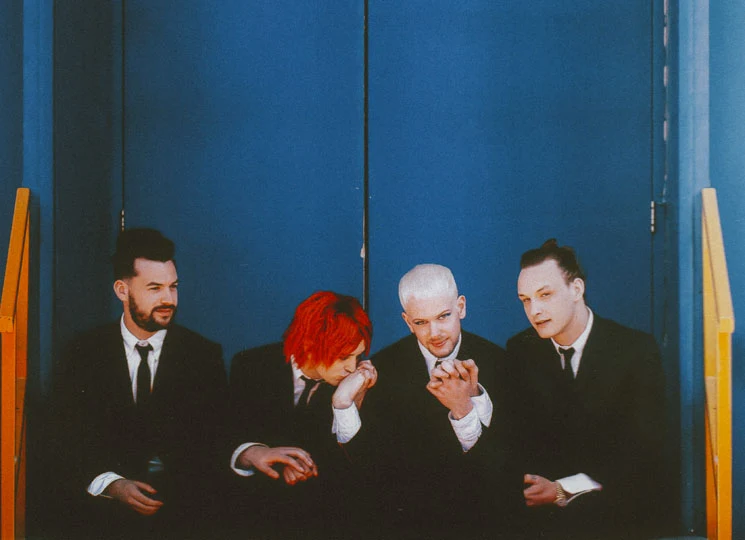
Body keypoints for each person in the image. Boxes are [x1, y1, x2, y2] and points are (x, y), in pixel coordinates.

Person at [47, 228, 230, 540]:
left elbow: (214, 441)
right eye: (155, 288)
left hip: (183, 516)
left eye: (173, 287)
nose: (168, 299)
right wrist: (111, 484)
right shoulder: (82, 353)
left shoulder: (203, 354)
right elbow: (65, 438)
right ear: (122, 290)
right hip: (100, 515)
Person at [506, 239, 668, 540]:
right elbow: (519, 441)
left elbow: (643, 454)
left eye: (545, 295)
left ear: (577, 289)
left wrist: (563, 489)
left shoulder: (635, 350)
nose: (534, 310)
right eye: (525, 300)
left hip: (618, 517)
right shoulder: (520, 350)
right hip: (544, 524)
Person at [363, 264, 520, 540]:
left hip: (483, 523)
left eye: (443, 316)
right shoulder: (383, 369)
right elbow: (378, 470)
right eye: (421, 322)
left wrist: (465, 409)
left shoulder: (502, 363)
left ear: (461, 307)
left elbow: (507, 465)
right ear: (407, 321)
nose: (434, 333)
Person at [228, 290, 377, 540]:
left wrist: (347, 404)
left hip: (325, 522)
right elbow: (223, 435)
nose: (352, 367)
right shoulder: (251, 366)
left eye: (357, 355)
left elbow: (359, 474)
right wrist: (253, 452)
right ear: (309, 344)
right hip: (255, 518)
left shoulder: (358, 382)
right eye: (343, 356)